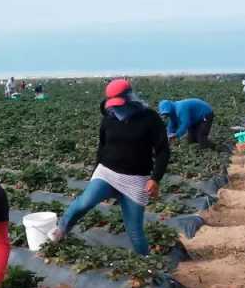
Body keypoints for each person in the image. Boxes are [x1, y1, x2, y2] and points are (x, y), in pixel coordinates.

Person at [49, 79, 170, 256]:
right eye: (112, 106)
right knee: (84, 202)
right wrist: (94, 174)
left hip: (136, 179)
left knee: (135, 231)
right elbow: (102, 147)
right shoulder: (109, 117)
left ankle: (148, 266)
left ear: (130, 99)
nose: (116, 109)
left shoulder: (150, 118)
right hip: (107, 173)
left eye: (119, 105)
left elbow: (162, 151)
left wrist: (155, 178)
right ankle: (60, 231)